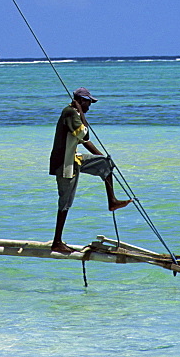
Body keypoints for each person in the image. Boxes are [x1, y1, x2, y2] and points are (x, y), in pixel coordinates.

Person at [49, 86, 131, 254]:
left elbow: (84, 141)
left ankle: (112, 201)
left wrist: (103, 158)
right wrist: (81, 111)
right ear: (80, 101)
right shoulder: (71, 113)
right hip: (65, 164)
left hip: (74, 159)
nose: (89, 106)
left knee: (105, 165)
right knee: (65, 202)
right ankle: (57, 241)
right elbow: (85, 135)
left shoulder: (75, 114)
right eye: (88, 103)